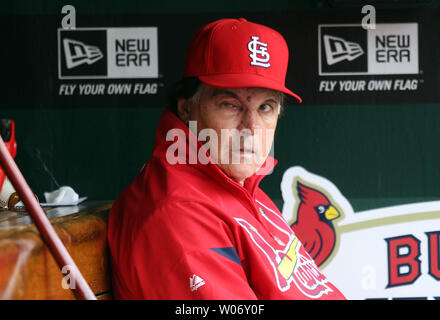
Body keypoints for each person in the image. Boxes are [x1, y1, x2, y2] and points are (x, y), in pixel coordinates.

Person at [108, 18, 345, 299]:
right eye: (230, 105)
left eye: (266, 107)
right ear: (186, 109)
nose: (252, 128)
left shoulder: (240, 187)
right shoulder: (179, 212)